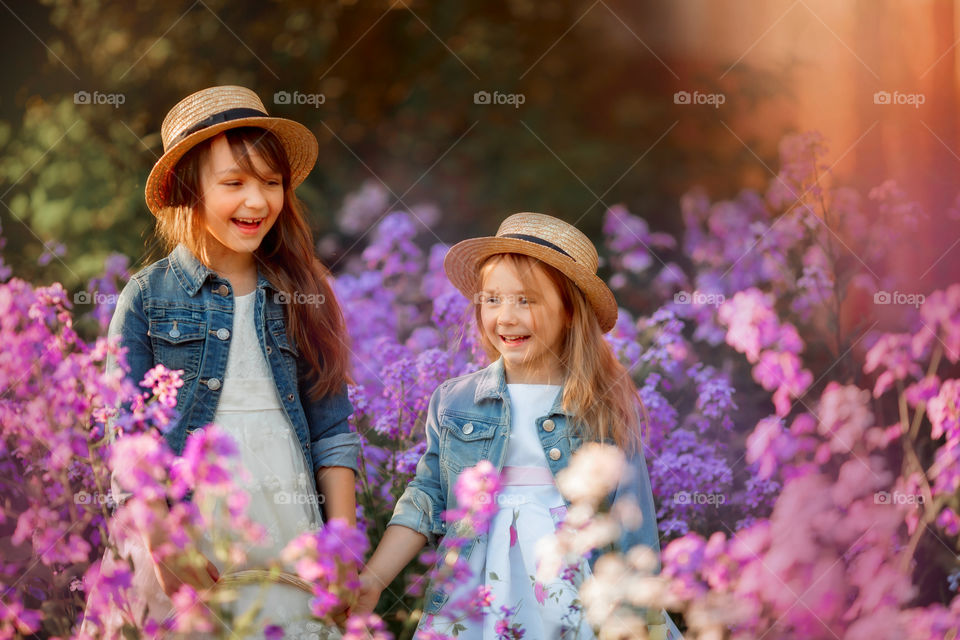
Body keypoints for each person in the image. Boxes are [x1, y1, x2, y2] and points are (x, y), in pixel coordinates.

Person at [87, 86, 358, 638]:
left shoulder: (302, 292)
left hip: (286, 519)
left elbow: (332, 433)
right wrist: (163, 545)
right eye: (234, 183)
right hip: (182, 528)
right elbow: (127, 439)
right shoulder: (147, 296)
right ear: (189, 189)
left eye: (271, 183)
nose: (257, 202)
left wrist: (342, 550)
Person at [353, 213, 682, 638]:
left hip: (571, 586)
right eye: (492, 299)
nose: (505, 317)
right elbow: (424, 499)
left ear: (569, 311)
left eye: (525, 300)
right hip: (476, 594)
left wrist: (640, 619)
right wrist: (373, 580)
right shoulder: (455, 400)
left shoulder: (600, 406)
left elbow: (632, 518)